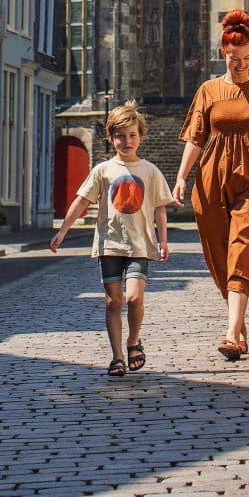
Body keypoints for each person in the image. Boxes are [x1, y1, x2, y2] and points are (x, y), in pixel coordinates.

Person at [172, 9, 249, 361]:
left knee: (242, 249)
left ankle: (229, 333)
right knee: (221, 255)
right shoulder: (208, 90)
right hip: (212, 180)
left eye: (247, 58)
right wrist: (181, 177)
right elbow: (196, 138)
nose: (240, 64)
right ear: (222, 55)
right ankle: (239, 326)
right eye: (233, 58)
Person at [50, 101, 172, 377]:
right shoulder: (103, 170)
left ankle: (133, 341)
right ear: (111, 138)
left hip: (140, 245)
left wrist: (163, 241)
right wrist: (63, 231)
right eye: (120, 136)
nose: (126, 141)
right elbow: (82, 201)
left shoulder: (150, 171)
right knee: (113, 301)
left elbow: (159, 208)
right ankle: (117, 356)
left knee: (133, 297)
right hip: (110, 245)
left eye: (132, 135)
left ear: (140, 136)